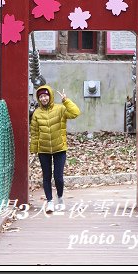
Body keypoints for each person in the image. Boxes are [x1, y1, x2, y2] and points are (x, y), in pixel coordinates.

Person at [30, 84, 80, 213]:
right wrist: (34, 149)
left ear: (50, 96)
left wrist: (66, 100)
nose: (43, 99)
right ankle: (50, 202)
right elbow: (35, 133)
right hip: (43, 150)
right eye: (41, 96)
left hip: (59, 148)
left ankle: (60, 197)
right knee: (46, 176)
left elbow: (75, 113)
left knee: (58, 177)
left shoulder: (60, 109)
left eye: (45, 95)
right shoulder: (36, 113)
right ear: (38, 99)